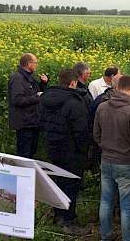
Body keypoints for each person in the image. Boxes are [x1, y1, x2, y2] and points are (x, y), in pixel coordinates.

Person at [94, 76, 130, 241]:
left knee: (106, 201)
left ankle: (105, 235)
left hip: (107, 160)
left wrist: (106, 148)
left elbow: (96, 134)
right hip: (127, 163)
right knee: (127, 206)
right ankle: (129, 238)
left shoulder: (101, 107)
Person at [40, 69, 89, 235]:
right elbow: (81, 131)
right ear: (73, 82)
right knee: (71, 185)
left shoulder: (46, 98)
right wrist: (84, 152)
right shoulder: (75, 101)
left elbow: (42, 122)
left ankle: (58, 215)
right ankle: (69, 221)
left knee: (58, 182)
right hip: (72, 152)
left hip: (53, 148)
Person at [7, 53, 48, 158]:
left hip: (33, 122)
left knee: (31, 152)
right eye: (35, 63)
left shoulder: (30, 77)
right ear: (29, 64)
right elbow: (17, 100)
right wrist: (37, 97)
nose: (36, 65)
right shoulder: (17, 78)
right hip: (24, 123)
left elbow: (36, 93)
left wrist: (43, 84)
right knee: (24, 155)